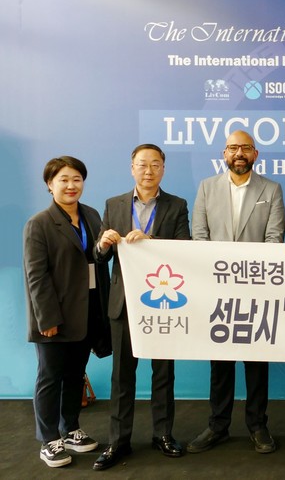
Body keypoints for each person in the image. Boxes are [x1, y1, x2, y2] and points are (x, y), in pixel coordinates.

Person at [92, 144, 191, 471]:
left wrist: (151, 242)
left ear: (163, 168)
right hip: (123, 303)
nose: (149, 171)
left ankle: (163, 434)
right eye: (142, 164)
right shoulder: (114, 204)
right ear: (132, 168)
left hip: (163, 302)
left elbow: (185, 249)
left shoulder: (177, 205)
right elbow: (100, 256)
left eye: (155, 165)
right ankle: (118, 441)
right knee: (122, 376)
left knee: (163, 374)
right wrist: (103, 244)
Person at [187, 130, 285, 455]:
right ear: (224, 153)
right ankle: (218, 425)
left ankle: (257, 425)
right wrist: (220, 274)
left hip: (257, 290)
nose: (239, 153)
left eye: (245, 148)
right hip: (217, 290)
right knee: (221, 362)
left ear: (255, 154)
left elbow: (274, 239)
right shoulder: (206, 187)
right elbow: (199, 236)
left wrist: (248, 276)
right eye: (233, 148)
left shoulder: (271, 189)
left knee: (256, 362)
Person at [23, 156, 110, 468]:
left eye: (77, 179)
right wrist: (47, 319)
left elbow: (98, 258)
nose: (71, 185)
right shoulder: (39, 223)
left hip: (86, 311)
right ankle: (49, 440)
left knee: (75, 373)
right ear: (50, 184)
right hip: (55, 316)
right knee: (50, 377)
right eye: (63, 179)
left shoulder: (91, 215)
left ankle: (70, 428)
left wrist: (107, 245)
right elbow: (36, 276)